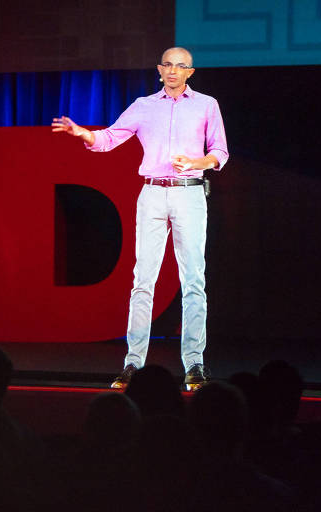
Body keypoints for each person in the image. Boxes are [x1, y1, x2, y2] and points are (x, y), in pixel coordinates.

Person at [52, 47, 228, 390]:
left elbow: (220, 152)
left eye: (181, 66)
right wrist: (84, 133)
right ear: (160, 69)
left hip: (189, 192)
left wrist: (196, 163)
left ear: (190, 72)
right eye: (168, 65)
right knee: (142, 280)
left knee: (193, 279)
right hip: (151, 193)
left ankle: (195, 365)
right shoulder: (144, 106)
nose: (174, 70)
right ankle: (133, 363)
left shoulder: (206, 104)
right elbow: (109, 138)